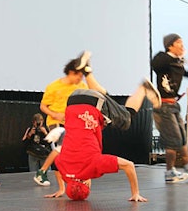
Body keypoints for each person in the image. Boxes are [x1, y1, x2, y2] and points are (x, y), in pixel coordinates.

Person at [43, 50, 161, 200]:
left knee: (127, 118)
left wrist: (135, 193)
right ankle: (87, 72)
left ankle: (143, 88)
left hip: (91, 105)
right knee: (106, 99)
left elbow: (129, 165)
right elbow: (56, 164)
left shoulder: (94, 165)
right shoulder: (66, 171)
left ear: (86, 183)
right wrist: (61, 188)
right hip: (72, 102)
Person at [152, 33, 188, 183]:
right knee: (174, 139)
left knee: (182, 137)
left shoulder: (177, 63)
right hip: (163, 105)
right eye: (179, 43)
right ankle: (170, 172)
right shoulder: (164, 60)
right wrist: (173, 56)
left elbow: (184, 72)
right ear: (170, 45)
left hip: (173, 104)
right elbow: (155, 63)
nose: (182, 46)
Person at [34, 51, 90, 187]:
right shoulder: (54, 86)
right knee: (63, 147)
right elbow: (43, 106)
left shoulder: (82, 86)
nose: (80, 79)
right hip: (56, 122)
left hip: (74, 122)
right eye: (79, 75)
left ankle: (62, 180)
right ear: (71, 72)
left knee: (70, 151)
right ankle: (42, 172)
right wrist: (55, 114)